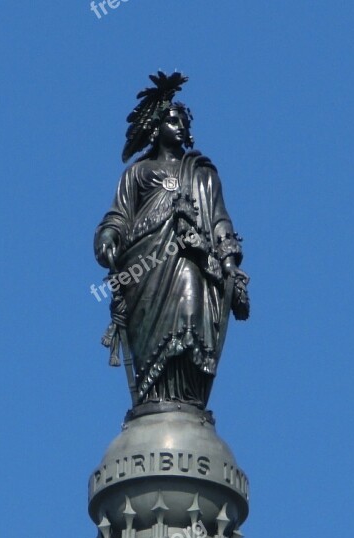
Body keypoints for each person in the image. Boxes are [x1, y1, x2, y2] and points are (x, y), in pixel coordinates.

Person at [95, 72, 249, 410]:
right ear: (155, 127)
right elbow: (119, 215)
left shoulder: (203, 174)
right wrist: (108, 236)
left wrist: (228, 263)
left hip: (190, 260)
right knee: (150, 330)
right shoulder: (138, 173)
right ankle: (154, 399)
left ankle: (187, 398)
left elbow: (220, 219)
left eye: (182, 120)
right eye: (171, 120)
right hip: (145, 266)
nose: (179, 125)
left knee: (190, 317)